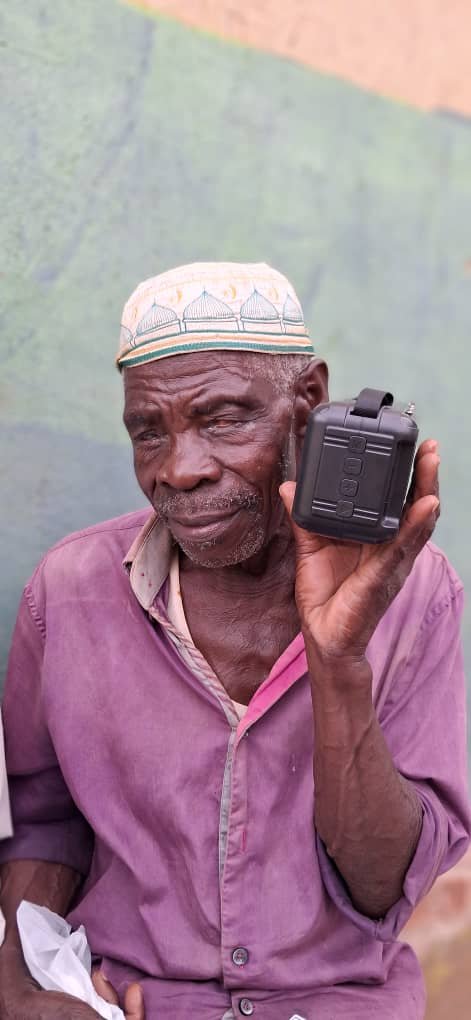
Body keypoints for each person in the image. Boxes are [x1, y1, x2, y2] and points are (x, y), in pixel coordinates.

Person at [0, 261, 469, 1020]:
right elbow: (44, 820)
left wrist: (338, 661)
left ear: (307, 401)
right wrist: (19, 978)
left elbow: (384, 886)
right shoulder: (69, 589)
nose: (178, 471)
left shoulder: (414, 594)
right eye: (148, 432)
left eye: (221, 419)